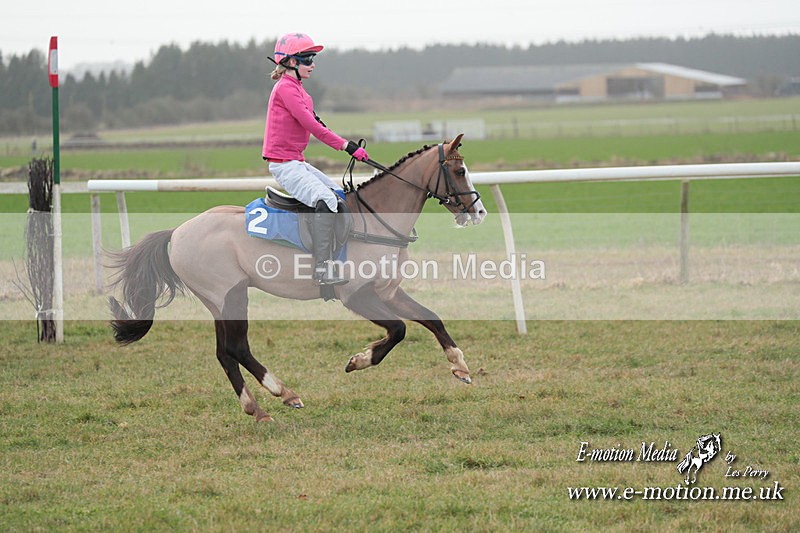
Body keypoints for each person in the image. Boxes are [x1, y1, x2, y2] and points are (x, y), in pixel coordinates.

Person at [262, 32, 368, 286]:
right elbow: (312, 126)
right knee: (326, 200)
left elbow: (317, 122)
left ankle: (339, 255)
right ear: (290, 62)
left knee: (338, 195)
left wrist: (346, 144)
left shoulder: (298, 90)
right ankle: (322, 269)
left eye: (313, 58)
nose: (313, 63)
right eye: (307, 58)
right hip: (284, 165)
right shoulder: (286, 89)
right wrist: (346, 146)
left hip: (296, 162)